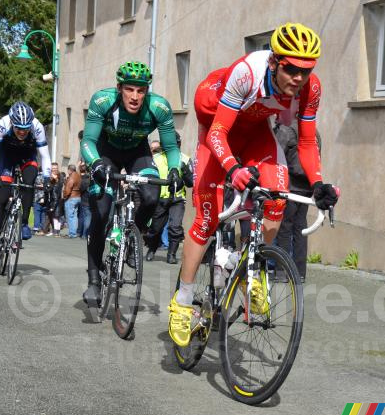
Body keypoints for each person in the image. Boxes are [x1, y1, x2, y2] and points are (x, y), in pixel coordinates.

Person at [168, 22, 339, 347]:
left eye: (307, 70)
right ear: (274, 62)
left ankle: (251, 267)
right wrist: (232, 168)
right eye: (291, 69)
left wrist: (318, 184)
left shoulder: (309, 88)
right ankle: (182, 300)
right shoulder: (247, 72)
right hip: (215, 118)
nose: (299, 79)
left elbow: (306, 141)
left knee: (277, 192)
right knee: (207, 216)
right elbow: (218, 133)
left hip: (254, 127)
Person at [79, 61, 183, 307]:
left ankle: (131, 237)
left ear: (147, 91)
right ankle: (94, 280)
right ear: (119, 88)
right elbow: (88, 141)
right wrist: (94, 164)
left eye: (141, 90)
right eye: (129, 90)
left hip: (137, 151)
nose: (135, 97)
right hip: (105, 152)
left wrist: (177, 168)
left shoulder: (159, 107)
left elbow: (170, 147)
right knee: (101, 213)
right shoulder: (103, 101)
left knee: (151, 195)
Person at [0, 102, 52, 264]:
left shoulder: (37, 127)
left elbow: (45, 156)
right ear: (12, 123)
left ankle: (25, 223)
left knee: (30, 180)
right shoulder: (3, 124)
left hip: (27, 155)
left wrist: (47, 177)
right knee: (1, 198)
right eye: (18, 128)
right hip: (7, 156)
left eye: (26, 128)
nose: (22, 132)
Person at [273, 120, 321, 281]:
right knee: (301, 228)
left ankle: (282, 272)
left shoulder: (287, 130)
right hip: (307, 186)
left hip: (290, 186)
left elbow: (276, 155)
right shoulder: (314, 133)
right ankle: (300, 273)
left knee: (285, 228)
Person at [144, 131, 194, 264]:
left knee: (175, 227)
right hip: (160, 198)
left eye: (177, 143)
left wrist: (185, 171)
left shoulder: (185, 158)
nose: (175, 146)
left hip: (177, 199)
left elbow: (191, 183)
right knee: (155, 228)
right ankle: (152, 249)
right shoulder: (156, 158)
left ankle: (171, 254)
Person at [62, 164, 81, 238]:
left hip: (71, 197)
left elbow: (68, 188)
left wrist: (65, 196)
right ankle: (74, 232)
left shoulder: (71, 177)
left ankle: (72, 233)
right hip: (78, 197)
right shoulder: (78, 176)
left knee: (70, 216)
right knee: (74, 216)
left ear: (69, 170)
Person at [76, 161, 91, 239]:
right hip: (90, 201)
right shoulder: (92, 179)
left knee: (86, 218)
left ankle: (84, 234)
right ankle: (84, 233)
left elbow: (80, 188)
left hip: (85, 201)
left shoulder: (85, 179)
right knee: (87, 217)